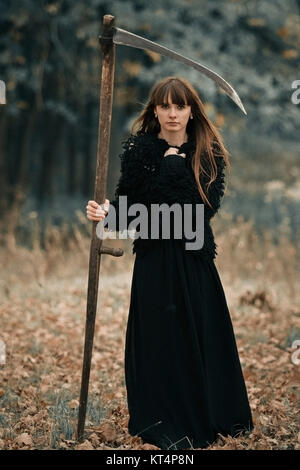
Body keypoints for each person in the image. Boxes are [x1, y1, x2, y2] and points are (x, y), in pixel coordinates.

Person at [86, 76, 254, 450]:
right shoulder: (140, 152)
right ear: (156, 110)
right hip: (154, 264)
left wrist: (173, 167)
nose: (173, 113)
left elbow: (195, 214)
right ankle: (162, 418)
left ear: (191, 110)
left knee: (196, 342)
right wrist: (105, 213)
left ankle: (205, 414)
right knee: (159, 343)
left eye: (180, 106)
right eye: (165, 106)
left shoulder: (207, 155)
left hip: (194, 264)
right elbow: (130, 214)